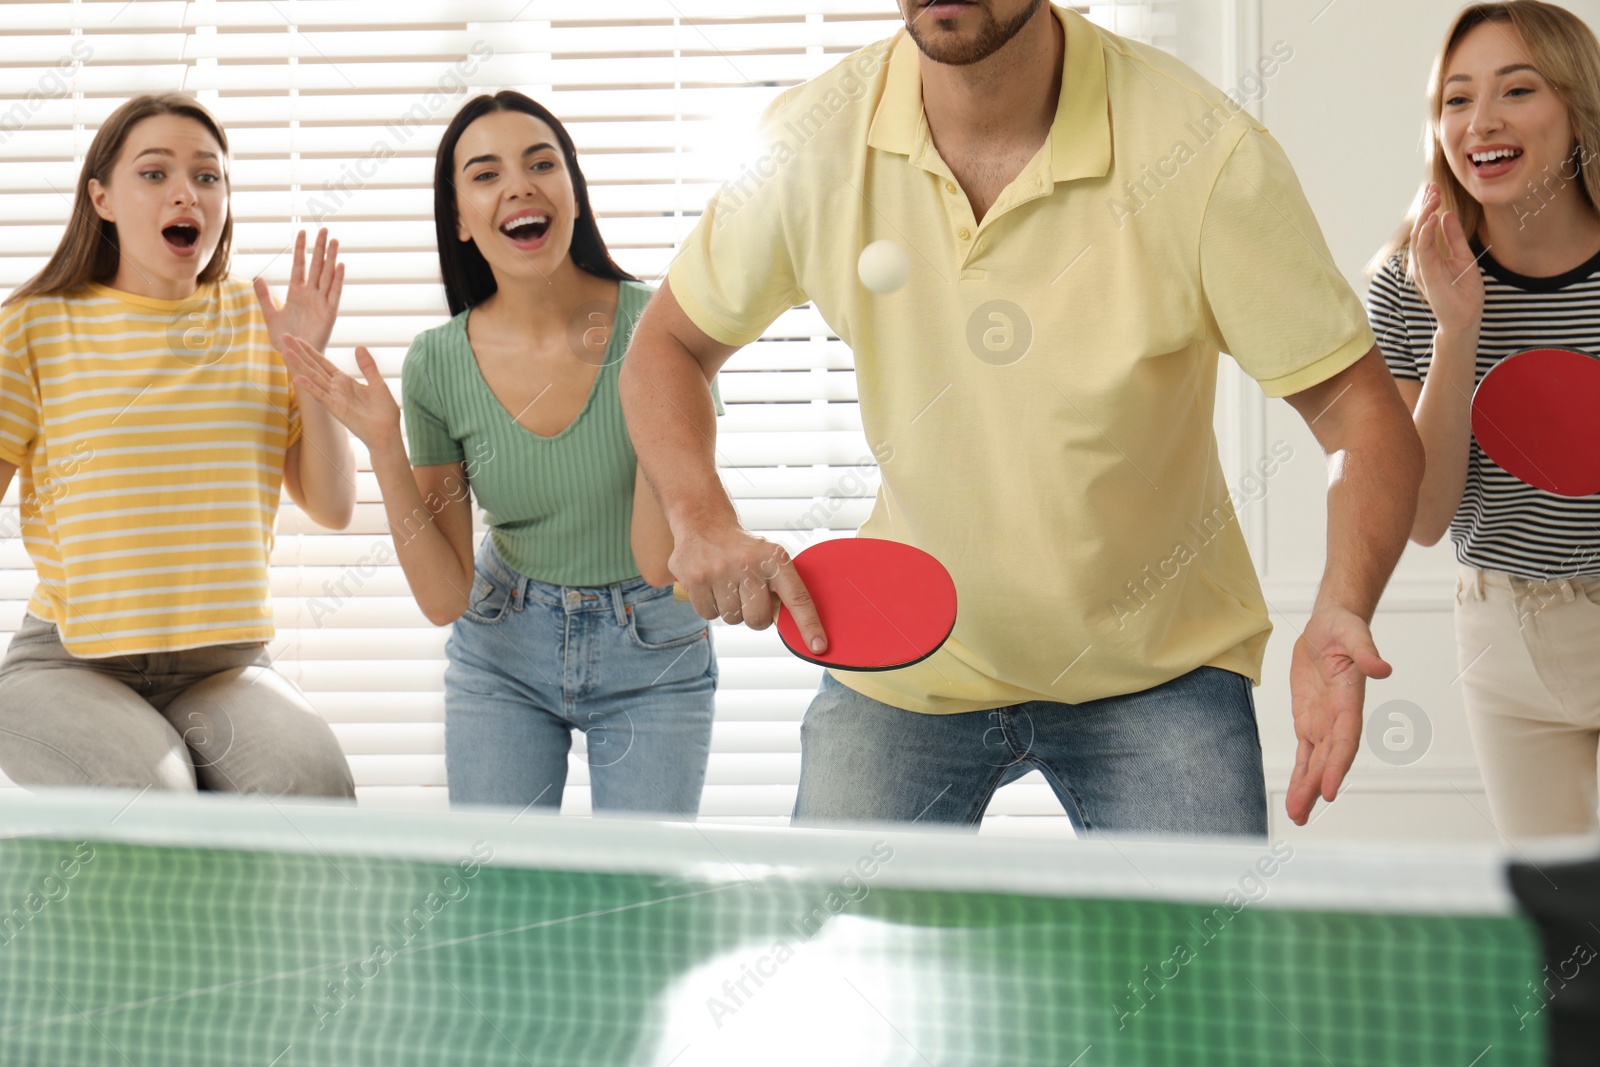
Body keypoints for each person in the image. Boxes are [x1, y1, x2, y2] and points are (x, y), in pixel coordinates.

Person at [620, 0, 1425, 834]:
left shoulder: (1204, 154)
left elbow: (1362, 417)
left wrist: (1343, 601)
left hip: (1158, 671)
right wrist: (699, 513)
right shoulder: (811, 140)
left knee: (1201, 970)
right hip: (908, 666)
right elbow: (664, 348)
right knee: (839, 957)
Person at [281, 91, 721, 818]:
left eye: (540, 163)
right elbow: (443, 597)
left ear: (572, 194)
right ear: (459, 219)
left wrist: (662, 377)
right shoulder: (436, 363)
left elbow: (655, 557)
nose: (518, 184)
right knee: (498, 911)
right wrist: (387, 448)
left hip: (654, 648)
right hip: (503, 644)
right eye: (485, 174)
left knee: (639, 910)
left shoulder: (662, 331)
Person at [0, 93, 357, 797]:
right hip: (70, 665)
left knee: (312, 786)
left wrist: (310, 367)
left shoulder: (266, 327)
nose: (186, 192)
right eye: (155, 173)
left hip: (224, 665)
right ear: (101, 197)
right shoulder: (35, 327)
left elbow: (334, 505)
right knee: (153, 801)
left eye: (207, 175)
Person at [1367, 1, 1600, 838]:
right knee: (1562, 935)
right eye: (1456, 98)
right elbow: (1425, 517)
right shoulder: (1405, 282)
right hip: (1506, 636)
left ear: (1578, 108)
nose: (1481, 122)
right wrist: (1456, 327)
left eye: (1517, 89)